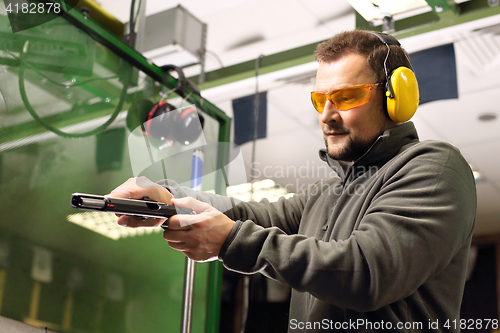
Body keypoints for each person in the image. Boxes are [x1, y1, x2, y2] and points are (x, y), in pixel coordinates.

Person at [109, 30, 477, 332]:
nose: (328, 116)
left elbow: (367, 272)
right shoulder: (327, 194)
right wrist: (167, 198)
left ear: (396, 98)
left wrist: (230, 240)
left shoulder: (434, 167)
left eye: (346, 97)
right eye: (321, 100)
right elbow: (246, 214)